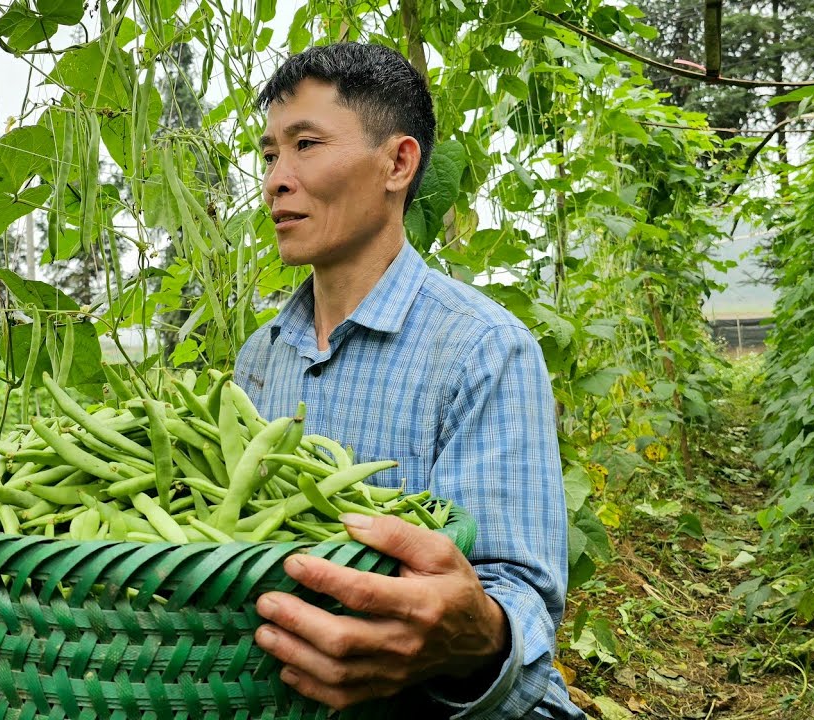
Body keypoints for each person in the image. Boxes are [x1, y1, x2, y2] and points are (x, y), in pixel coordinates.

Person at [234, 43, 583, 719]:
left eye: (306, 144)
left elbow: (519, 603)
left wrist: (475, 636)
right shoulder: (259, 356)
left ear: (398, 162)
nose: (277, 178)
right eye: (270, 154)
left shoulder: (482, 349)